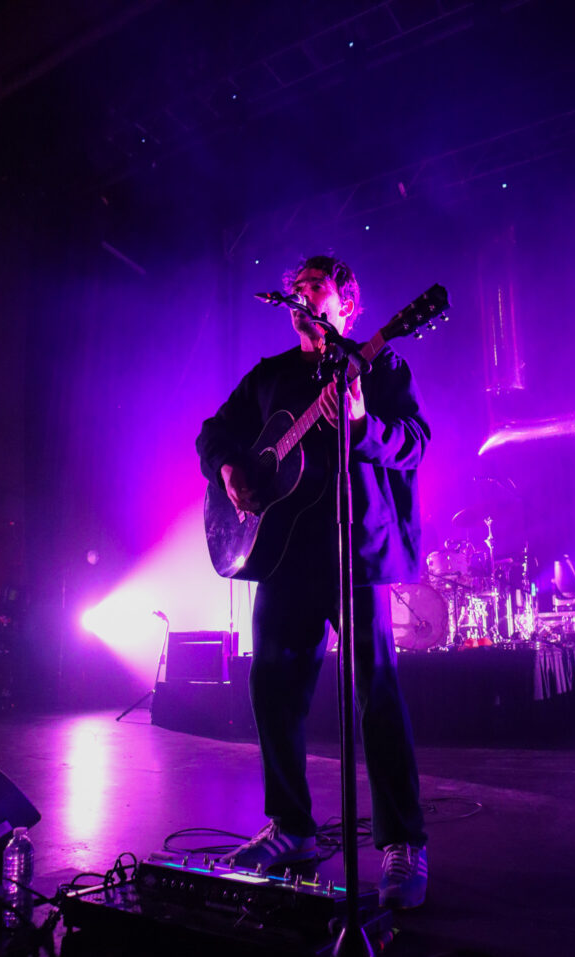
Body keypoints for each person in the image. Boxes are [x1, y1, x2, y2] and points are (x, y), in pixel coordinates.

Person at [195, 255, 430, 908]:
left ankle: (402, 843)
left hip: (356, 552)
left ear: (346, 305)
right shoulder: (269, 378)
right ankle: (292, 830)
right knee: (270, 686)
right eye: (295, 289)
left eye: (314, 287)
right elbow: (212, 433)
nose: (300, 296)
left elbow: (414, 442)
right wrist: (228, 473)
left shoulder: (379, 367)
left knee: (374, 697)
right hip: (284, 558)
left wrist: (360, 422)